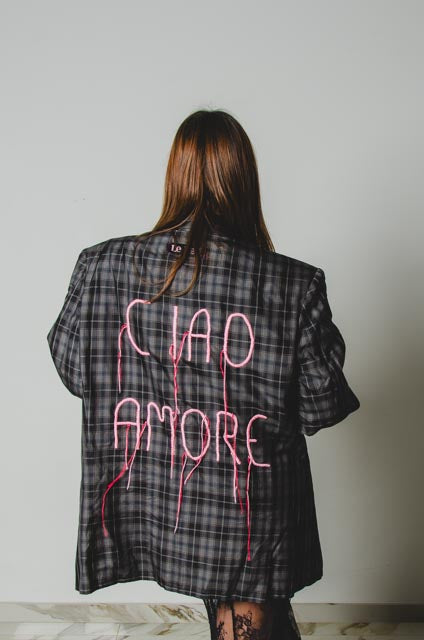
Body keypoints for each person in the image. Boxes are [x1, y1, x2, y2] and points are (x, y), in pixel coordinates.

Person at [47, 108, 360, 639]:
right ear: (245, 182)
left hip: (155, 498)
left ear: (175, 176)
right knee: (253, 615)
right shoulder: (292, 284)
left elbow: (79, 373)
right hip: (248, 511)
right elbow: (320, 406)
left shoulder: (100, 267)